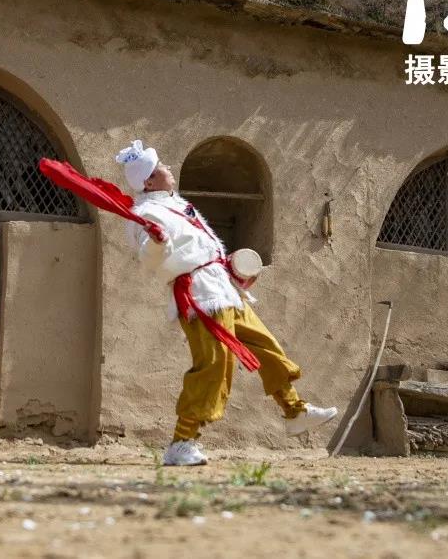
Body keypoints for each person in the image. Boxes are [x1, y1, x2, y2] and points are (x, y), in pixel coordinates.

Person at [116, 141, 338, 467]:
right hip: (200, 295)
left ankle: (295, 411)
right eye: (160, 166)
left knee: (265, 346)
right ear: (148, 181)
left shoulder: (175, 204)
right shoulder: (144, 214)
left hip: (224, 287)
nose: (168, 167)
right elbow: (148, 256)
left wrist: (230, 268)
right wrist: (157, 243)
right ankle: (181, 443)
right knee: (215, 365)